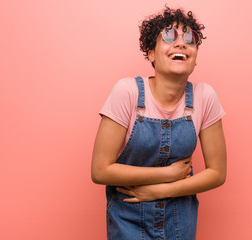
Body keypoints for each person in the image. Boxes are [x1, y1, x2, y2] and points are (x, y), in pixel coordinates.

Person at [91, 6, 227, 240]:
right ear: (151, 54)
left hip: (179, 222)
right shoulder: (128, 92)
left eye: (190, 40)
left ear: (195, 58)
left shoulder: (205, 96)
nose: (181, 43)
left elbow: (217, 173)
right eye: (169, 37)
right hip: (127, 220)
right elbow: (100, 171)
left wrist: (159, 191)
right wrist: (168, 173)